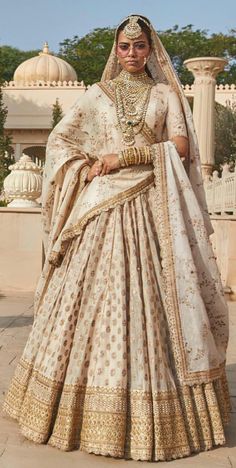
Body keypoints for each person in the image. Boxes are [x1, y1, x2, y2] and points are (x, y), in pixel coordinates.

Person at [3, 15, 230, 462]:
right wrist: (84, 167)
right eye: (124, 47)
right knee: (91, 299)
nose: (132, 54)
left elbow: (181, 148)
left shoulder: (166, 93)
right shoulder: (96, 95)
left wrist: (125, 155)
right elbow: (62, 141)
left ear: (151, 48)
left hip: (151, 206)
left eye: (139, 46)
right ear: (116, 50)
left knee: (154, 300)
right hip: (100, 211)